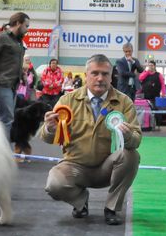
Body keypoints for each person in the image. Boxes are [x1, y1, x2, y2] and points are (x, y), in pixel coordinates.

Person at [40, 54, 141, 226]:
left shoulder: (124, 102)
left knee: (131, 156)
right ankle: (80, 200)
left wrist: (127, 136)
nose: (100, 78)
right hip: (75, 166)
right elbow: (46, 138)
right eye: (95, 73)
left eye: (105, 74)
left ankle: (112, 208)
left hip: (107, 168)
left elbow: (137, 140)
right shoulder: (67, 100)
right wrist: (50, 128)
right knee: (54, 185)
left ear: (112, 76)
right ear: (86, 75)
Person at [0, 12, 30, 137]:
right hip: (2, 84)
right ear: (18, 23)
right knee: (7, 119)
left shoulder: (19, 42)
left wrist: (22, 75)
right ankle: (3, 152)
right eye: (26, 26)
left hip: (13, 85)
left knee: (5, 119)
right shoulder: (1, 38)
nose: (27, 29)